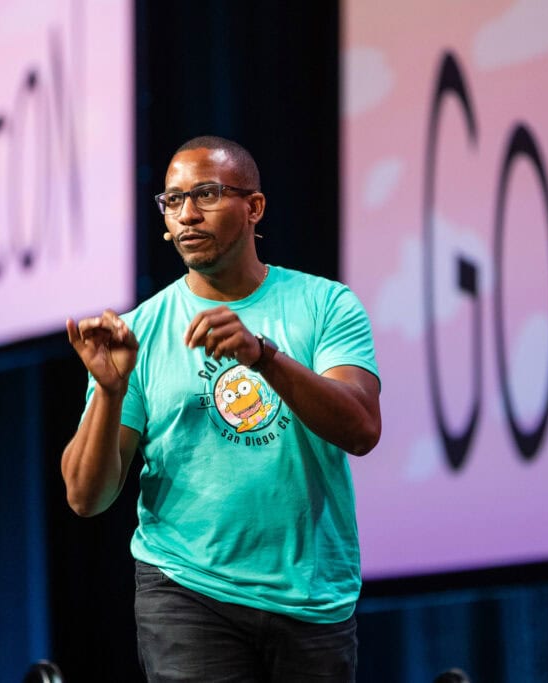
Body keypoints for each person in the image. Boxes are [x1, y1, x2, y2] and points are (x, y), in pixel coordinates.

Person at [61, 135, 382, 682]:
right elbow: (86, 498)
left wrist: (263, 357)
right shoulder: (140, 331)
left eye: (206, 195)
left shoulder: (325, 304)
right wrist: (111, 392)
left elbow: (360, 428)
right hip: (188, 590)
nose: (187, 215)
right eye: (172, 200)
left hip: (311, 592)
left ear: (253, 207)